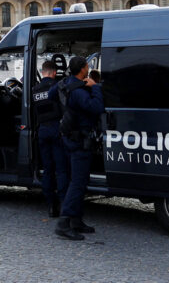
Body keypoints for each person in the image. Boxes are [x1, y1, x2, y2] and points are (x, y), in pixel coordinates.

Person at [54, 56, 104, 241]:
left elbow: (52, 96)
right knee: (78, 183)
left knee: (78, 181)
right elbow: (97, 107)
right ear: (83, 69)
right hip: (79, 141)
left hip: (69, 138)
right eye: (87, 66)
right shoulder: (79, 90)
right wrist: (96, 87)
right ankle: (64, 222)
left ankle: (76, 220)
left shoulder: (65, 84)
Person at [32, 60, 68, 218]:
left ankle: (51, 205)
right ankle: (63, 203)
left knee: (47, 170)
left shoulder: (35, 89)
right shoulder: (57, 86)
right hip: (56, 129)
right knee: (61, 170)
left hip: (42, 131)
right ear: (54, 72)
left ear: (43, 71)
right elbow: (64, 109)